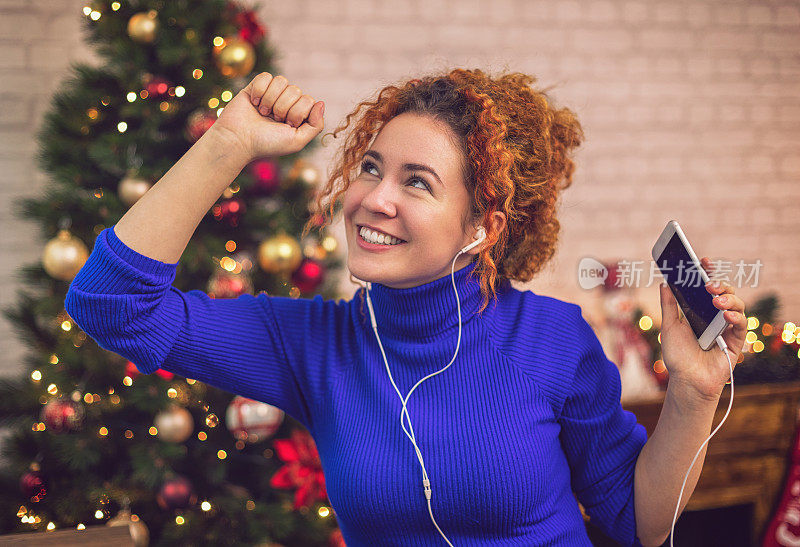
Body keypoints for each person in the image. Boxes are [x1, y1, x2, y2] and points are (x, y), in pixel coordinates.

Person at [65, 68, 747, 547]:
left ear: (481, 227)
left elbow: (637, 522)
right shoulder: (314, 343)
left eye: (415, 182)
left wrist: (692, 393)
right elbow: (111, 301)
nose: (373, 198)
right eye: (370, 167)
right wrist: (229, 141)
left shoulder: (551, 338)